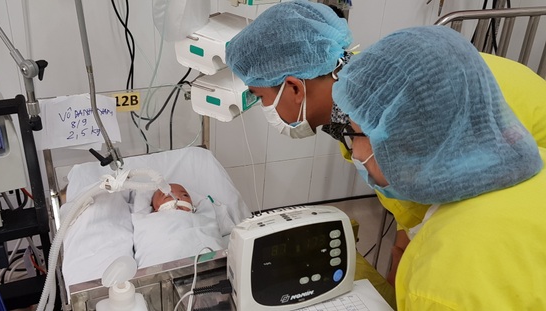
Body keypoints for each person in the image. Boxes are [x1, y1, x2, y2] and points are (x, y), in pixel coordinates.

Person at [225, 1, 546, 310]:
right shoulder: (370, 100)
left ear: (294, 88)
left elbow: (437, 222)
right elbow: (412, 211)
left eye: (261, 97)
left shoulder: (393, 111)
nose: (265, 109)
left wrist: (419, 276)